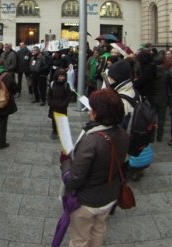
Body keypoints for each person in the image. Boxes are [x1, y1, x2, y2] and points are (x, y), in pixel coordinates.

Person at [60, 88, 129, 246]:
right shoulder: (124, 134)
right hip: (110, 195)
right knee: (98, 229)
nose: (90, 111)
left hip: (87, 201)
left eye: (92, 108)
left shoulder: (91, 141)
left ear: (97, 113)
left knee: (80, 238)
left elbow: (74, 179)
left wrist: (65, 162)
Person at [47, 69, 72, 140]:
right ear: (57, 76)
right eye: (60, 76)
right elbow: (49, 94)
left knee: (62, 120)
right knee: (54, 119)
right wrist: (50, 102)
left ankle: (62, 132)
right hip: (53, 105)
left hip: (62, 106)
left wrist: (64, 104)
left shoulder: (66, 85)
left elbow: (68, 96)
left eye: (63, 76)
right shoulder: (52, 84)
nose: (62, 78)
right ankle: (54, 131)